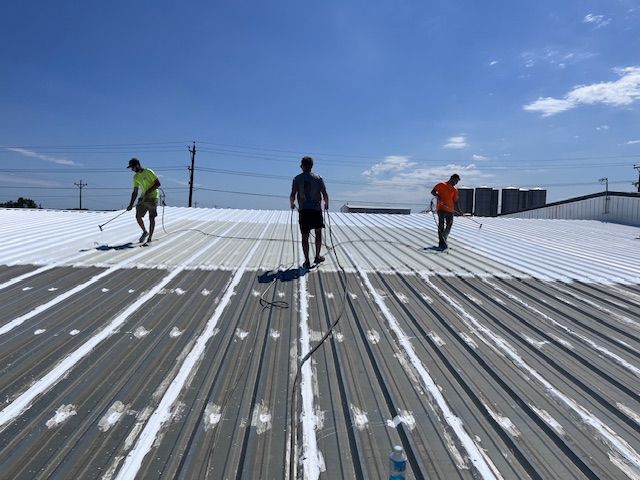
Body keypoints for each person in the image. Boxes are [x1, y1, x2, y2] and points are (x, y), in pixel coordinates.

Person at [290, 156, 329, 269]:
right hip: (316, 211)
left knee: (305, 236)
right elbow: (325, 194)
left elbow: (292, 195)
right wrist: (326, 204)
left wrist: (292, 204)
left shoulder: (297, 179)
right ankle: (317, 256)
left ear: (302, 166)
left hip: (304, 211)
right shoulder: (318, 178)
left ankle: (307, 261)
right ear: (311, 166)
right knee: (318, 233)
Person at [126, 158, 161, 244]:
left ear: (137, 165)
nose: (132, 169)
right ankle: (145, 232)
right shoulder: (136, 177)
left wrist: (149, 191)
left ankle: (150, 237)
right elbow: (135, 192)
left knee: (151, 217)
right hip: (143, 197)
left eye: (132, 167)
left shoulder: (148, 171)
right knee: (138, 216)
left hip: (153, 197)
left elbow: (158, 184)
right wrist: (130, 204)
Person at [431, 174, 460, 250]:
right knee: (441, 225)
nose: (456, 183)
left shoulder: (454, 189)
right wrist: (438, 196)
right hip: (441, 209)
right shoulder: (441, 185)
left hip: (450, 210)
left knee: (449, 225)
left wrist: (459, 210)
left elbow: (455, 201)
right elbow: (433, 192)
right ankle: (442, 242)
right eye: (456, 181)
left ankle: (444, 238)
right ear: (452, 178)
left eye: (457, 182)